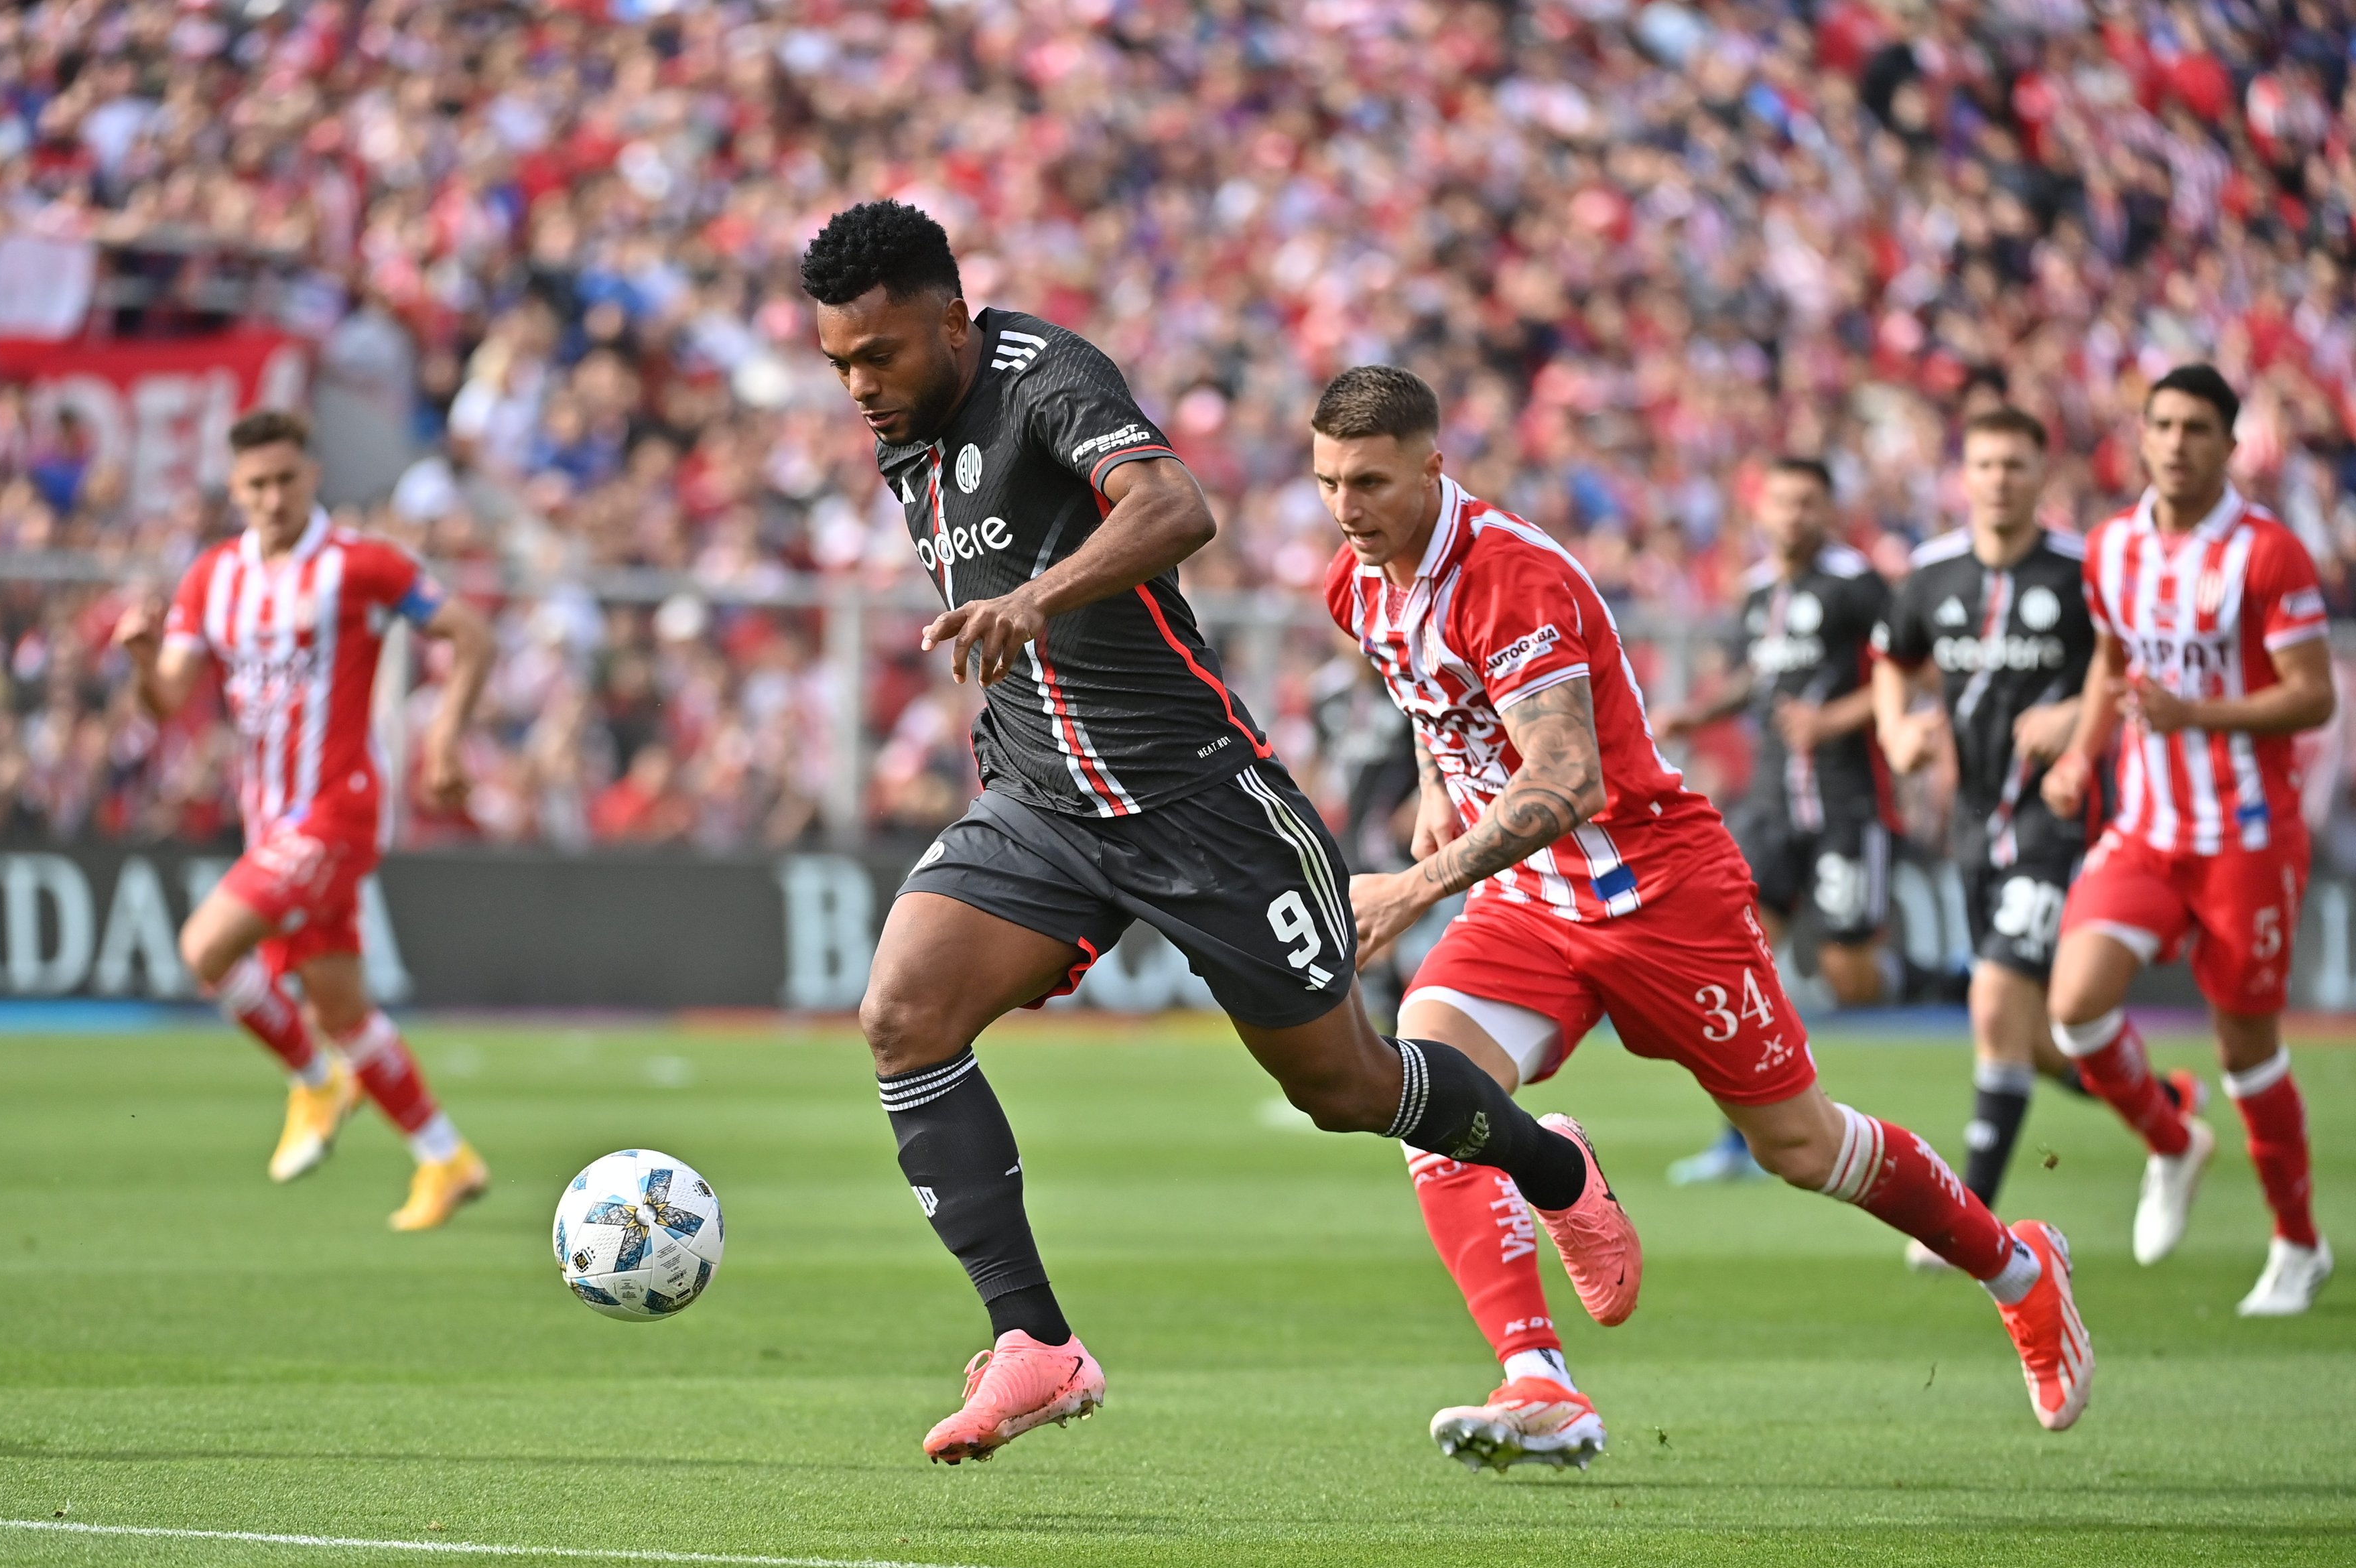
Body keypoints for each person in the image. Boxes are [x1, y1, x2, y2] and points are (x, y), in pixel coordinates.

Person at [803, 200, 1631, 1467]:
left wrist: (1036, 597)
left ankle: (1549, 1166)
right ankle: (1034, 1343)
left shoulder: (1046, 378)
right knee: (901, 1016)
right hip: (1041, 804)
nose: (860, 386)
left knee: (1346, 1089)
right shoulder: (904, 432)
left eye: (880, 357)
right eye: (839, 365)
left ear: (953, 324)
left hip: (1203, 805)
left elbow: (1176, 509)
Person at [1314, 365, 2093, 1465]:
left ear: (1433, 466)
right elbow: (1437, 703)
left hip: (1658, 892)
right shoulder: (1355, 583)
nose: (1345, 505)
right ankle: (1542, 1375)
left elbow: (1568, 781)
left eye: (1370, 481)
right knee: (1422, 1088)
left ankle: (2017, 1269)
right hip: (1533, 903)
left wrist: (1408, 888)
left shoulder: (1513, 578)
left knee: (1799, 1143)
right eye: (1328, 481)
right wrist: (1441, 782)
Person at [114, 409, 496, 1232]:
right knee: (342, 1010)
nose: (272, 496)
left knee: (205, 948)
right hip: (271, 822)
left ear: (312, 475)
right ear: (234, 488)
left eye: (285, 479)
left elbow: (469, 634)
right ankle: (445, 1157)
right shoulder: (211, 576)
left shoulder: (361, 566)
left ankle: (314, 1080)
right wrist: (144, 659)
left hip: (338, 809)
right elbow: (169, 699)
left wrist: (444, 741)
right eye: (255, 484)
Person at [2042, 364, 2338, 1316]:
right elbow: (2110, 663)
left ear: (2229, 443)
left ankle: (2298, 1243)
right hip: (2145, 825)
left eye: (2197, 428)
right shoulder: (2111, 546)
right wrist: (2083, 754)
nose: (2176, 443)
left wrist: (2195, 710)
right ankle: (2172, 1142)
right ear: (2143, 434)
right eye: (2162, 424)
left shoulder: (2267, 553)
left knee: (2246, 1046)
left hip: (2247, 835)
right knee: (2076, 1009)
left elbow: (2314, 694)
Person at [1871, 407, 2099, 1264]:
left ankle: (1967, 1218)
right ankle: (2163, 1108)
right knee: (2030, 1038)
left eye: (2015, 463)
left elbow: (2124, 668)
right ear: (1963, 476)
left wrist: (2076, 713)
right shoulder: (1931, 574)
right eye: (1985, 464)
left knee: (1995, 998)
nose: (1999, 478)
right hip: (1974, 824)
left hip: (2057, 819)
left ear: (2042, 473)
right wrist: (1898, 731)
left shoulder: (2080, 573)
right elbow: (1893, 660)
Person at [1657, 458, 1896, 1186]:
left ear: (1828, 512)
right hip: (1768, 804)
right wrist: (1696, 713)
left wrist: (1832, 718)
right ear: (1761, 511)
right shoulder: (1757, 591)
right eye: (1781, 502)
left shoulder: (1859, 585)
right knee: (1741, 966)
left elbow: (1907, 675)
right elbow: (1754, 675)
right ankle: (1739, 1139)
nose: (1793, 515)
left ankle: (1931, 981)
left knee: (1845, 973)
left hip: (1844, 800)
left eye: (1807, 503)